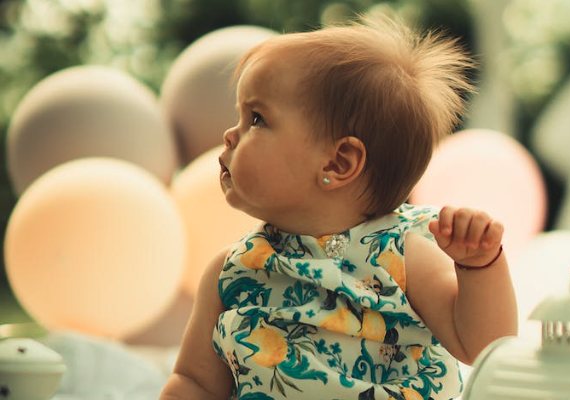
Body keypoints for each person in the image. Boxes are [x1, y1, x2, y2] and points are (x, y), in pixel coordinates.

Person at [160, 13, 518, 400]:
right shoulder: (233, 271)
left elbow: (483, 345)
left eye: (257, 119)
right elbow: (195, 381)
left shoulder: (402, 255)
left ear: (338, 163)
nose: (230, 135)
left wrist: (478, 266)